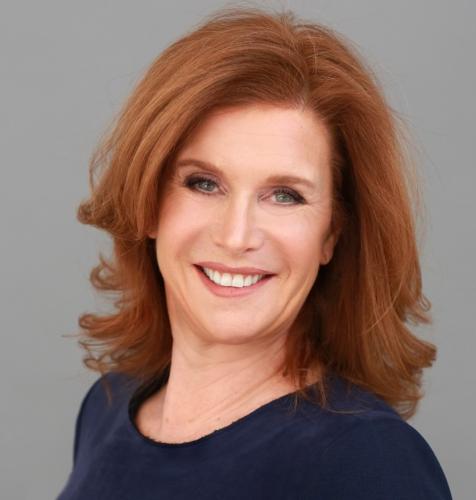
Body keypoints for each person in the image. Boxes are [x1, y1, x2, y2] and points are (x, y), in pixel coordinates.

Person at [57, 6, 453, 499]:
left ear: (331, 234)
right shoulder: (107, 408)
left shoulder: (368, 462)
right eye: (204, 183)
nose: (236, 235)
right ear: (148, 203)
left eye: (285, 195)